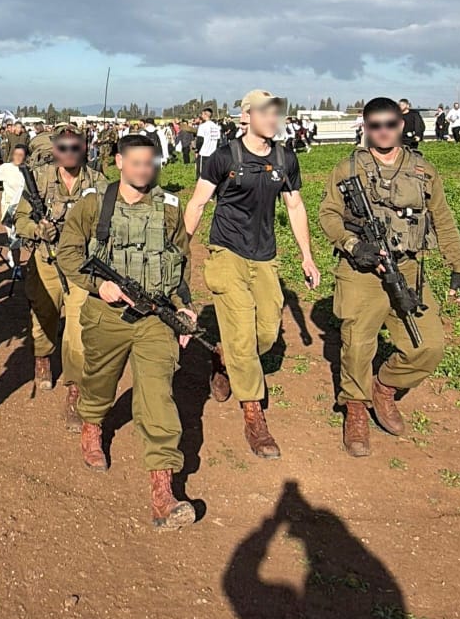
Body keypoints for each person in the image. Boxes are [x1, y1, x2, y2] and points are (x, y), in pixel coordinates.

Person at [57, 134, 198, 530]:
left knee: (158, 395)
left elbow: (180, 262)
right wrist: (96, 286)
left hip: (155, 318)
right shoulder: (94, 203)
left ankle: (163, 491)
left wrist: (184, 305)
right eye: (136, 162)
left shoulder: (169, 209)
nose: (143, 170)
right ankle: (91, 425)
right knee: (100, 384)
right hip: (107, 316)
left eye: (150, 162)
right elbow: (68, 252)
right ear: (119, 161)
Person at [318, 97, 460, 457]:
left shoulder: (423, 170)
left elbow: (443, 220)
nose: (383, 131)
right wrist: (353, 244)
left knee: (428, 346)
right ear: (366, 127)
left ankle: (383, 388)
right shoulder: (348, 168)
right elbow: (328, 214)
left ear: (401, 124)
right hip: (362, 270)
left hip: (408, 268)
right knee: (358, 341)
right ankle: (355, 407)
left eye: (389, 123)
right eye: (375, 125)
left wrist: (459, 267)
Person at [183, 90, 320, 460]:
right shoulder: (223, 157)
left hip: (265, 257)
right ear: (246, 116)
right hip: (226, 252)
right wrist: (180, 252)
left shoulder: (285, 158)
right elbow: (197, 203)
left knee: (266, 333)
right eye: (265, 112)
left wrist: (307, 256)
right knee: (243, 331)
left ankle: (224, 357)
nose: (273, 118)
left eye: (277, 112)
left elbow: (295, 207)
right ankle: (253, 414)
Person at [14, 125, 106, 426]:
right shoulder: (39, 180)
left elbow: (109, 221)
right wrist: (37, 229)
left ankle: (74, 389)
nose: (69, 153)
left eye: (75, 147)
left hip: (82, 266)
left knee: (79, 328)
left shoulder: (98, 182)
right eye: (63, 147)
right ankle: (42, 356)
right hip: (46, 262)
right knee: (45, 317)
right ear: (55, 149)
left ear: (85, 147)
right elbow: (19, 219)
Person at [195, 107, 222, 180]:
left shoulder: (203, 126)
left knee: (201, 174)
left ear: (205, 115)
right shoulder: (216, 127)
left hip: (204, 154)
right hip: (213, 154)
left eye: (202, 114)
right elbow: (218, 141)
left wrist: (197, 151)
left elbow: (200, 140)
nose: (201, 116)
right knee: (211, 173)